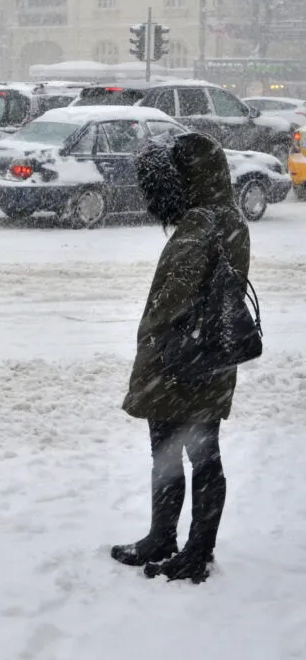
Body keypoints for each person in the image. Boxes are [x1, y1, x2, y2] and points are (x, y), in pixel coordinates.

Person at [111, 131, 250, 584]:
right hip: (207, 358)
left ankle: (190, 550)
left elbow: (175, 297)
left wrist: (151, 333)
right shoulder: (227, 217)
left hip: (182, 361)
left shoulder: (202, 221)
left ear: (191, 175)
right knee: (191, 455)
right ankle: (173, 541)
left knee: (188, 455)